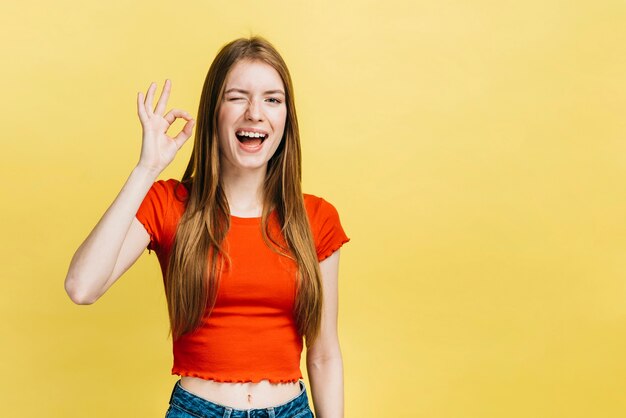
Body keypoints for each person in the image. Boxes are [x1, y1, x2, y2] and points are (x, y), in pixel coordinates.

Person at [64, 36, 350, 418]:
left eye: (272, 99)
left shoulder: (316, 218)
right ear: (214, 110)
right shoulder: (169, 204)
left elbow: (324, 354)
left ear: (286, 117)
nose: (255, 113)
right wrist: (146, 169)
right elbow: (82, 287)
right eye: (237, 97)